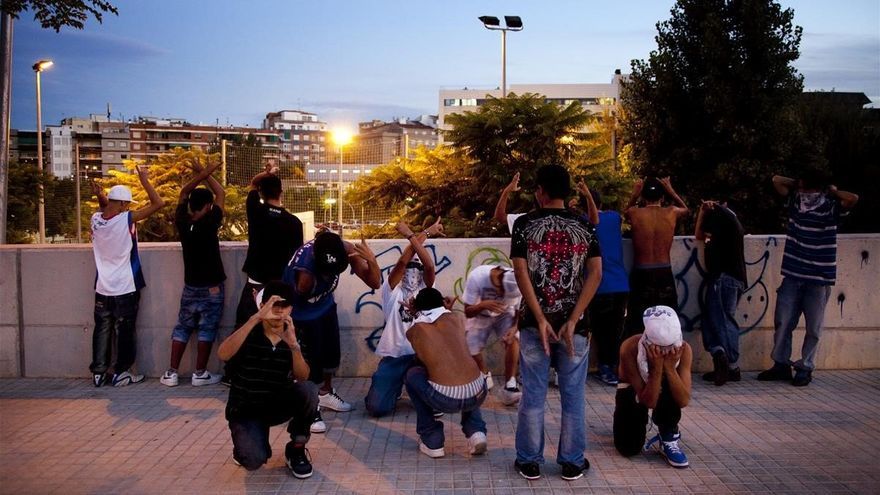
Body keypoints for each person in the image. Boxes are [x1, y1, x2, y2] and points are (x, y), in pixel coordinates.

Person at [510, 164, 602, 481]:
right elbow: (597, 273)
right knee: (573, 396)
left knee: (533, 395)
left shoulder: (524, 224)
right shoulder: (586, 225)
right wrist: (574, 318)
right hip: (574, 327)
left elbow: (521, 273)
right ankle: (572, 461)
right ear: (567, 192)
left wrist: (538, 316)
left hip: (535, 325)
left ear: (541, 191)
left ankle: (529, 461)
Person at [757, 172, 858, 386]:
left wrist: (831, 191)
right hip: (793, 274)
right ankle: (781, 364)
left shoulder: (830, 206)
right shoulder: (795, 201)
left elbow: (853, 198)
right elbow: (776, 180)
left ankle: (805, 366)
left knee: (814, 327)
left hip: (819, 278)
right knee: (783, 322)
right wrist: (798, 182)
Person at [218, 281, 318, 478]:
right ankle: (244, 446)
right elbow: (223, 354)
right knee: (254, 460)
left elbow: (302, 376)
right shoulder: (246, 330)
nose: (279, 311)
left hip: (276, 403)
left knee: (309, 390)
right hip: (246, 408)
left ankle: (296, 449)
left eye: (284, 306)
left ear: (291, 308)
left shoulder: (295, 333)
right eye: (274, 305)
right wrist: (255, 319)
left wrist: (293, 346)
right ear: (263, 305)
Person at [283, 231, 381, 432]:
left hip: (324, 306)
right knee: (310, 364)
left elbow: (374, 282)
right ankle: (309, 408)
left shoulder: (346, 249)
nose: (330, 275)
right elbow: (293, 300)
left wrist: (371, 260)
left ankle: (325, 394)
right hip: (301, 314)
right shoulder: (306, 275)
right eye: (326, 272)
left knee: (330, 356)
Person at [228, 161, 303, 386]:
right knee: (281, 330)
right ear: (281, 192)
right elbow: (295, 259)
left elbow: (252, 184)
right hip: (278, 286)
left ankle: (234, 373)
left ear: (261, 192)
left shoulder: (255, 210)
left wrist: (266, 173)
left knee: (244, 326)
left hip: (255, 283)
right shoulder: (293, 222)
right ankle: (279, 373)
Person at [89, 164, 164, 387]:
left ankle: (98, 372)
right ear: (123, 204)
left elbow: (107, 212)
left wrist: (101, 196)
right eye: (126, 204)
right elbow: (159, 204)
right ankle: (121, 371)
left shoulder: (95, 219)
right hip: (125, 286)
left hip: (102, 287)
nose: (127, 207)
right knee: (125, 331)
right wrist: (144, 180)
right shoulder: (127, 218)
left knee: (102, 329)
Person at [160, 157, 226, 387]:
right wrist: (207, 172)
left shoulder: (182, 221)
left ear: (190, 205)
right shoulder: (210, 222)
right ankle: (200, 373)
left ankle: (171, 373)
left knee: (183, 327)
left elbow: (183, 190)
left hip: (190, 286)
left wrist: (199, 173)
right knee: (207, 328)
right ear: (208, 207)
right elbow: (221, 192)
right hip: (213, 287)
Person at [364, 220, 440, 417]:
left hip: (421, 358)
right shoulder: (392, 292)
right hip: (395, 355)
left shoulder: (426, 292)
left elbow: (429, 265)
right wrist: (423, 234)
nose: (412, 273)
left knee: (434, 403)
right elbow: (402, 262)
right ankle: (392, 386)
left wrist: (414, 235)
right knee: (377, 408)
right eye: (409, 269)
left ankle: (418, 387)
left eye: (417, 269)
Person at [404, 288, 489, 458]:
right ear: (442, 303)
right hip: (479, 391)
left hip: (447, 399)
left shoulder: (415, 330)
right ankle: (476, 432)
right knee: (462, 369)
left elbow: (423, 361)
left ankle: (432, 439)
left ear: (417, 307)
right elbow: (445, 327)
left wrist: (414, 314)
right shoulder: (457, 319)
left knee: (412, 374)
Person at [614, 305, 692, 468]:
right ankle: (635, 423)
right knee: (628, 447)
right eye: (660, 349)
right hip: (637, 389)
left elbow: (684, 400)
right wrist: (656, 370)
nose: (665, 353)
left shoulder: (683, 350)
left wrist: (670, 369)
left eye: (670, 347)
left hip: (662, 386)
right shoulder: (630, 348)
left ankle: (669, 433)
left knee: (673, 383)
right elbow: (647, 401)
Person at [574, 184, 629, 386]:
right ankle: (612, 367)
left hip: (597, 286)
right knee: (615, 331)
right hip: (620, 285)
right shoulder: (614, 217)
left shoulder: (582, 222)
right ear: (601, 203)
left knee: (599, 329)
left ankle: (605, 368)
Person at [623, 177, 689, 336]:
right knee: (669, 320)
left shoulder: (635, 213)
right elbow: (685, 209)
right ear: (663, 197)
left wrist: (634, 194)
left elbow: (624, 213)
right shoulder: (671, 212)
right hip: (663, 272)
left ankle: (641, 357)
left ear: (643, 198)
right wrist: (671, 189)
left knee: (638, 323)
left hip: (641, 272)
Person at [695, 199, 747, 386]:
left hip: (723, 278)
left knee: (720, 320)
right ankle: (727, 363)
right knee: (720, 319)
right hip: (734, 278)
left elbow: (698, 235)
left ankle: (726, 359)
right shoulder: (732, 218)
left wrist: (703, 211)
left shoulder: (719, 216)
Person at [461, 264, 522, 405]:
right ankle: (483, 375)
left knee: (514, 339)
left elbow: (519, 312)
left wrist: (514, 328)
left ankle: (510, 385)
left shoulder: (517, 279)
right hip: (479, 313)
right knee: (471, 348)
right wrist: (483, 305)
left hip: (504, 313)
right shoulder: (477, 277)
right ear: (500, 288)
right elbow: (467, 312)